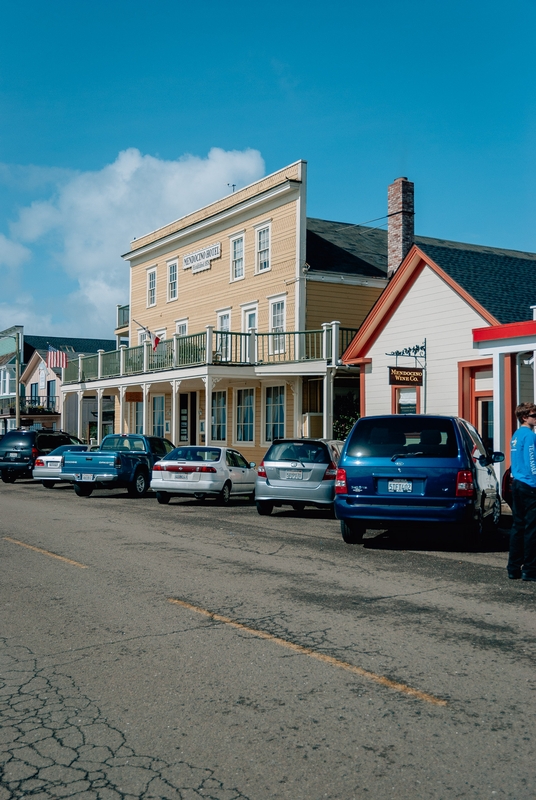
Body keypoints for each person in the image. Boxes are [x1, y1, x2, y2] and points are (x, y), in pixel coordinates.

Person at [507, 402, 536, 581]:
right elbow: (532, 461)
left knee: (518, 526)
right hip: (529, 485)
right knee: (531, 528)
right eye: (534, 415)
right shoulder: (530, 436)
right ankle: (530, 569)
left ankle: (513, 567)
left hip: (517, 483)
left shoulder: (516, 435)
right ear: (524, 417)